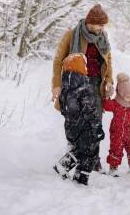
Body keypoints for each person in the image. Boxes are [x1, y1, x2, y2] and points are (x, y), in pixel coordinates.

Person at [52, 4, 114, 172]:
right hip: (75, 84)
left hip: (96, 85)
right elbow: (58, 61)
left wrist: (109, 81)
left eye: (103, 25)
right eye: (100, 24)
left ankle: (93, 160)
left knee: (95, 123)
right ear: (90, 23)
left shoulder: (103, 37)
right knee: (76, 123)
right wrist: (56, 85)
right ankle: (73, 156)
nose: (102, 27)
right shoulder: (72, 35)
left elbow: (108, 62)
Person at [53, 53, 105, 185]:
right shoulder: (84, 87)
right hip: (85, 126)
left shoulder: (65, 88)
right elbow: (90, 110)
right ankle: (79, 176)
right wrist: (97, 126)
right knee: (89, 151)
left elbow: (63, 108)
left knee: (80, 149)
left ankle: (73, 172)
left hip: (71, 127)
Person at [103, 73, 130, 176]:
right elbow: (106, 105)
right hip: (117, 132)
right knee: (115, 149)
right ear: (121, 95)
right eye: (127, 96)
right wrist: (107, 95)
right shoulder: (116, 103)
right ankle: (113, 168)